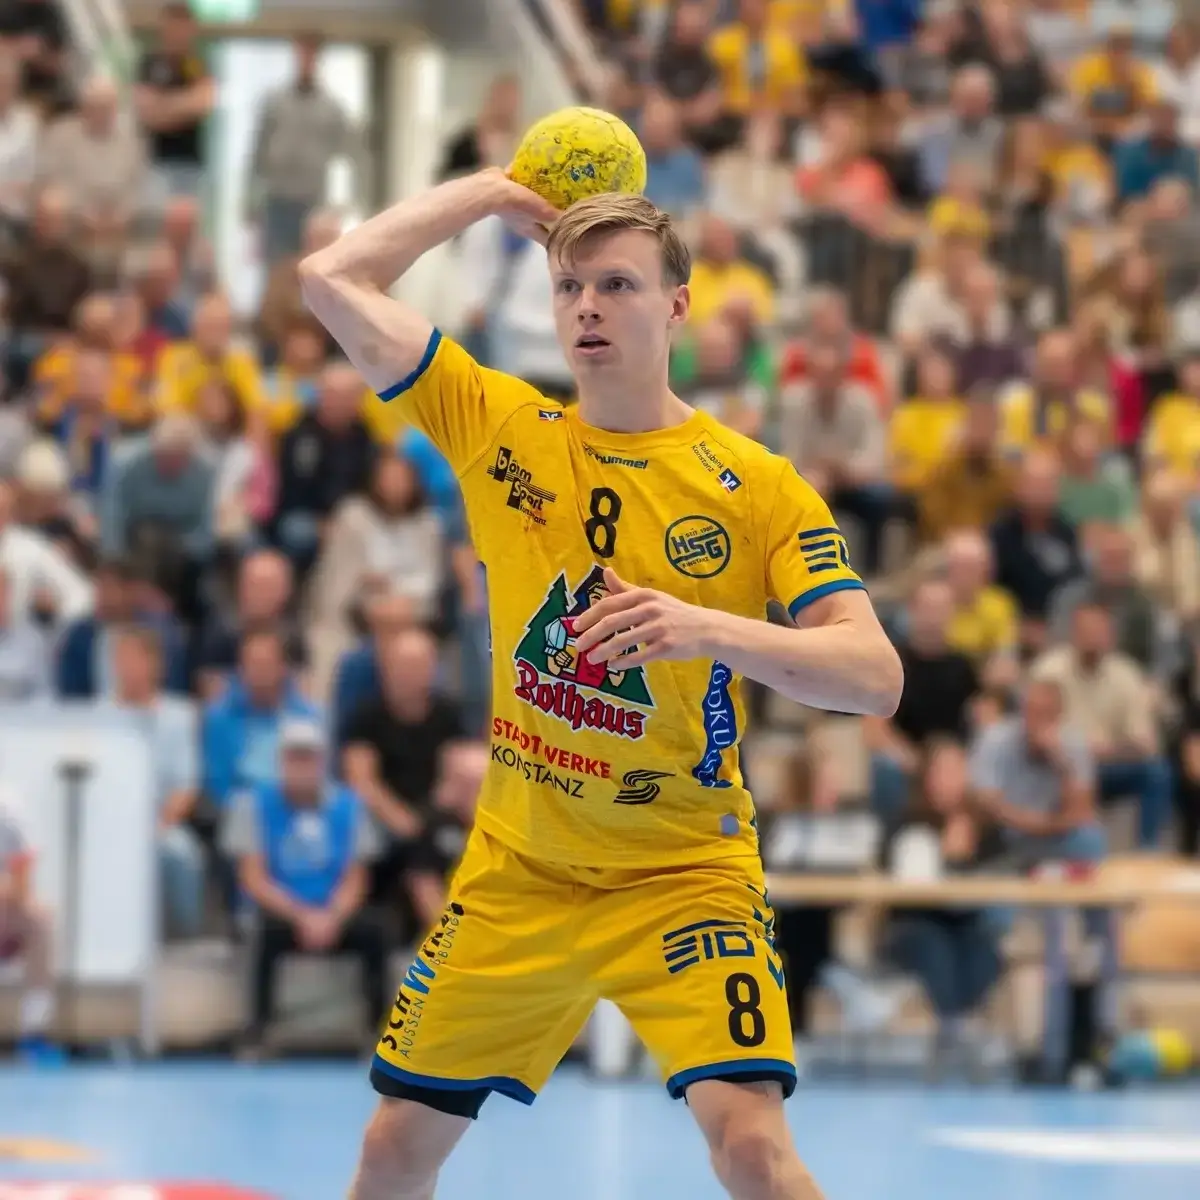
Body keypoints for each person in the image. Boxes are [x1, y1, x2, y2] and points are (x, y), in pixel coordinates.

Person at [301, 166, 903, 1200]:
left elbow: (875, 678)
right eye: (569, 285)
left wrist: (705, 628)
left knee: (753, 1148)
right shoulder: (502, 428)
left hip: (679, 870)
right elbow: (328, 278)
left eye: (617, 285)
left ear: (675, 306)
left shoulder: (755, 486)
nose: (588, 304)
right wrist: (490, 193)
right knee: (393, 1147)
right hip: (520, 867)